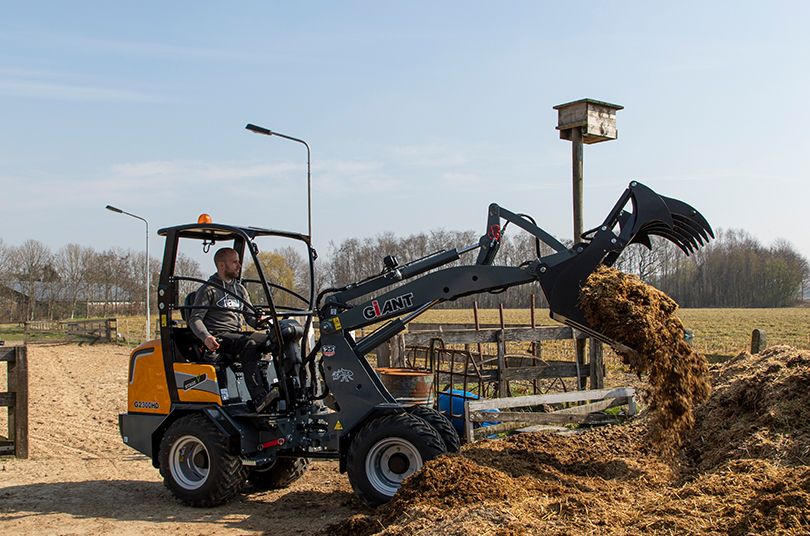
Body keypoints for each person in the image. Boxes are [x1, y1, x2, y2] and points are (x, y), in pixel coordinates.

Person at [189, 247, 274, 411]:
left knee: (273, 340)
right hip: (218, 337)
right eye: (234, 262)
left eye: (238, 261)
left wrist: (261, 322)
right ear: (222, 265)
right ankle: (259, 399)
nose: (239, 265)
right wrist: (206, 337)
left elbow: (250, 318)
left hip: (237, 335)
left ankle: (280, 392)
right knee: (249, 344)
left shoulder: (240, 289)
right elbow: (195, 318)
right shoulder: (209, 289)